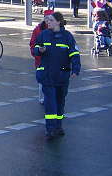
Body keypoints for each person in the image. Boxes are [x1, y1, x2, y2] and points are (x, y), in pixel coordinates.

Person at [33, 12, 81, 140]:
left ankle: (58, 126)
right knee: (50, 103)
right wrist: (39, 50)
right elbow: (35, 48)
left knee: (60, 102)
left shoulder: (67, 37)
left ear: (58, 22)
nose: (48, 22)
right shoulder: (43, 34)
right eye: (47, 20)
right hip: (47, 74)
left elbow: (74, 53)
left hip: (62, 74)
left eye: (51, 20)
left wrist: (75, 69)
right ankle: (50, 129)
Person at [30, 10, 55, 104]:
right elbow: (33, 44)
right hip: (41, 60)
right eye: (47, 18)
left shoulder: (59, 30)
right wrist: (37, 51)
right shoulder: (38, 30)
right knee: (42, 81)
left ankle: (52, 97)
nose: (48, 21)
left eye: (51, 19)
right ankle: (43, 98)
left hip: (54, 61)